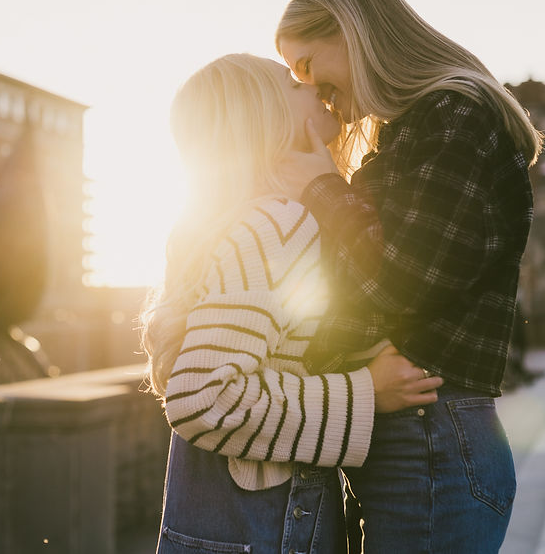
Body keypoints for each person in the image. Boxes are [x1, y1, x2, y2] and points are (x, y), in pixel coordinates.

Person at [275, 0, 544, 553]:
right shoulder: (413, 131)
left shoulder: (454, 115)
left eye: (307, 66)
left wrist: (323, 187)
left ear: (349, 29)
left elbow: (404, 278)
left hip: (430, 441)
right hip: (419, 441)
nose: (313, 89)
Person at [140, 53, 443, 553]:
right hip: (262, 528)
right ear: (265, 116)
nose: (312, 85)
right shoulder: (277, 224)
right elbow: (203, 399)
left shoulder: (249, 221)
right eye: (293, 82)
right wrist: (366, 393)